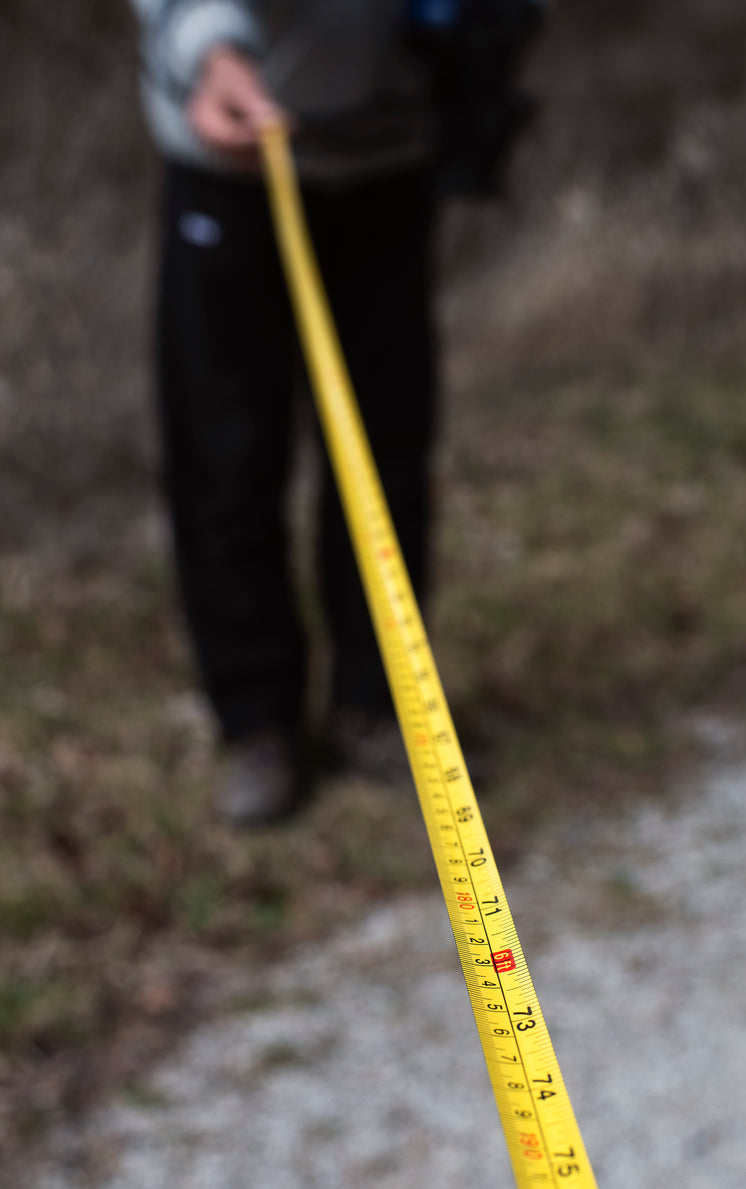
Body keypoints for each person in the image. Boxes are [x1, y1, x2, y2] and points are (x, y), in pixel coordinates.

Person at [128, 0, 544, 826]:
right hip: (230, 160)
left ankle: (378, 706)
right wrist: (211, 50)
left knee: (388, 448)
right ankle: (256, 722)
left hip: (390, 156)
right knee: (226, 455)